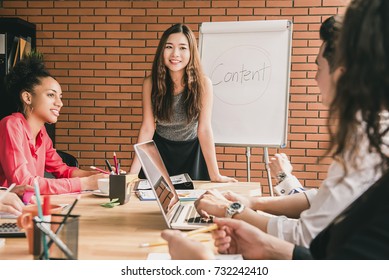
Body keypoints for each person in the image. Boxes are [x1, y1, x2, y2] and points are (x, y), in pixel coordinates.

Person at [161, 0, 389, 259]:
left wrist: (206, 258)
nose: (314, 78)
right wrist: (251, 205)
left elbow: (307, 239)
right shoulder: (370, 135)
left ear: (342, 75)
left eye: (318, 66)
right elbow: (322, 200)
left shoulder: (368, 145)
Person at [129, 23, 236, 183]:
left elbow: (204, 129)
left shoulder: (203, 84)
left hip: (192, 153)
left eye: (183, 48)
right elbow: (147, 128)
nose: (175, 54)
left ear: (191, 52)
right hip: (159, 152)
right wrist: (132, 174)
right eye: (169, 47)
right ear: (161, 51)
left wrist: (215, 174)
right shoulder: (150, 84)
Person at [0, 56, 106, 202]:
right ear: (27, 97)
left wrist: (94, 177)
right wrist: (85, 184)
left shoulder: (42, 134)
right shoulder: (11, 125)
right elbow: (24, 183)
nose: (59, 103)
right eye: (51, 95)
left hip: (28, 206)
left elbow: (63, 170)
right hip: (7, 212)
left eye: (60, 97)